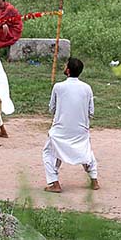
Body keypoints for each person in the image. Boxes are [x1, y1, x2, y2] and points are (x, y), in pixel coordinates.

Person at [42, 57, 100, 193]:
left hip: (60, 130)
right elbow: (91, 112)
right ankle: (94, 180)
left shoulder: (58, 87)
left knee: (49, 152)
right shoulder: (87, 88)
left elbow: (52, 108)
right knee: (85, 152)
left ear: (67, 70)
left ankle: (54, 183)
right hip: (81, 130)